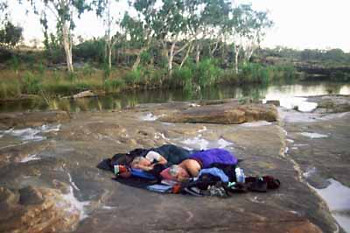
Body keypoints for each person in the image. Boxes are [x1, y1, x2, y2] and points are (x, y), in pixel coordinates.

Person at [160, 148, 238, 181]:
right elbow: (164, 173)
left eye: (180, 174)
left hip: (212, 157)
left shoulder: (190, 166)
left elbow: (198, 179)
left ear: (180, 169)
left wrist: (184, 180)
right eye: (177, 177)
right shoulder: (180, 166)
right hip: (203, 157)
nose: (182, 176)